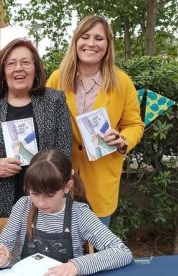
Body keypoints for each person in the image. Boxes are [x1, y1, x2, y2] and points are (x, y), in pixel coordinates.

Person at [0, 38, 72, 241]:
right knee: (5, 262)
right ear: (3, 70)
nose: (18, 68)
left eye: (26, 62)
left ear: (36, 69)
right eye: (11, 63)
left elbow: (64, 154)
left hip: (47, 200)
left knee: (47, 262)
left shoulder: (55, 101)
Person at [46, 15, 144, 226]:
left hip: (101, 181)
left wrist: (123, 139)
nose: (91, 43)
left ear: (108, 45)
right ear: (76, 41)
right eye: (85, 36)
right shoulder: (57, 78)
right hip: (60, 179)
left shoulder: (122, 82)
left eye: (99, 38)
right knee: (61, 249)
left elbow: (135, 124)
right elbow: (45, 122)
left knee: (97, 252)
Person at [0, 149, 132, 275]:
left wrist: (76, 266)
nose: (40, 203)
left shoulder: (79, 214)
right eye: (34, 193)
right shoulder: (23, 207)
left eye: (49, 195)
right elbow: (2, 247)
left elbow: (122, 251)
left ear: (67, 187)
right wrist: (2, 258)